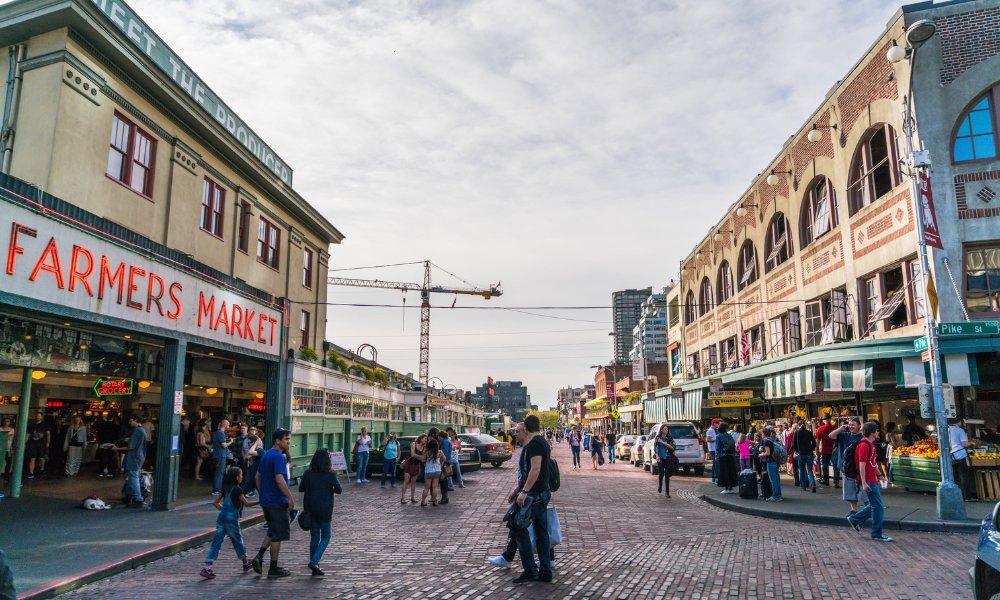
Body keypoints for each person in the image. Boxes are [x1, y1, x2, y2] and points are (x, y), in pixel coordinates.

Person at [511, 414, 553, 584]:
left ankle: (530, 568)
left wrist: (524, 492)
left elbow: (534, 469)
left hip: (535, 494)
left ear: (527, 429)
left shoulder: (535, 444)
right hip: (542, 492)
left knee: (517, 526)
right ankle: (545, 570)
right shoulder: (543, 442)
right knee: (541, 531)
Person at [251, 428, 295, 579]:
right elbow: (279, 479)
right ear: (277, 440)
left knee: (272, 530)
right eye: (286, 439)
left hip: (267, 501)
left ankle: (259, 556)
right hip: (277, 501)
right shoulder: (278, 457)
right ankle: (273, 568)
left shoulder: (266, 454)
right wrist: (289, 497)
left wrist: (263, 493)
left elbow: (257, 477)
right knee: (278, 535)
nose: (288, 442)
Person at [200, 467, 258, 579]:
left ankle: (207, 567)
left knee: (216, 542)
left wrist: (224, 510)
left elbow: (215, 502)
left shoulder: (225, 488)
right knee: (238, 541)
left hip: (221, 518)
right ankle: (246, 563)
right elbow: (246, 503)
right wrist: (261, 501)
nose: (242, 477)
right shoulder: (238, 489)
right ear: (237, 477)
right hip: (232, 519)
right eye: (241, 475)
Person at [299, 448, 343, 576]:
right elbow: (339, 490)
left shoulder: (308, 473)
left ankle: (315, 564)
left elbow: (301, 488)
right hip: (325, 509)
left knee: (314, 537)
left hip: (311, 508)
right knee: (326, 536)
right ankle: (314, 561)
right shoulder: (330, 474)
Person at [846, 422, 892, 542]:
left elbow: (872, 462)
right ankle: (876, 533)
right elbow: (862, 465)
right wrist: (864, 482)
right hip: (868, 480)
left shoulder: (870, 445)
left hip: (871, 479)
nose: (878, 432)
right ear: (871, 432)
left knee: (875, 505)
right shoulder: (864, 445)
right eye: (876, 431)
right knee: (879, 507)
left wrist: (880, 475)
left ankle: (855, 519)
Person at [831, 417, 865, 516]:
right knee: (850, 490)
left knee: (863, 490)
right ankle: (853, 510)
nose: (851, 426)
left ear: (859, 425)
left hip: (859, 468)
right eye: (849, 424)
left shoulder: (862, 437)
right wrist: (841, 428)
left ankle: (868, 509)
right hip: (846, 468)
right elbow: (831, 435)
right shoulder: (844, 435)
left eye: (853, 424)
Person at [116, 414, 147, 507]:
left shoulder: (137, 431)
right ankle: (128, 496)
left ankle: (138, 499)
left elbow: (131, 447)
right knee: (131, 477)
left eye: (130, 420)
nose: (129, 422)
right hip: (139, 457)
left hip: (134, 457)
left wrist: (117, 449)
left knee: (133, 477)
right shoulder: (142, 430)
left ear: (136, 420)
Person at [948, 417, 974, 500]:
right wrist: (972, 443)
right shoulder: (960, 430)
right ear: (958, 422)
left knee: (954, 477)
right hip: (960, 455)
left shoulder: (946, 430)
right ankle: (967, 497)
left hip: (951, 456)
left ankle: (954, 496)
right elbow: (964, 444)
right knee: (964, 476)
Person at [212, 420, 234, 496]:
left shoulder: (218, 433)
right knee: (219, 472)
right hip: (221, 455)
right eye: (228, 425)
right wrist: (231, 441)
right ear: (225, 425)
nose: (229, 427)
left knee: (219, 472)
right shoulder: (220, 433)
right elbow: (224, 445)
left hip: (219, 454)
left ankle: (217, 488)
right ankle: (216, 490)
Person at [421, 435, 445, 506]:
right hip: (437, 471)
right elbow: (444, 459)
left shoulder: (426, 452)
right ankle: (434, 501)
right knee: (435, 487)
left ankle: (423, 501)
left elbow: (422, 460)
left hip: (428, 471)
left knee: (426, 487)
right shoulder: (439, 452)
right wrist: (441, 462)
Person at [401, 434, 426, 504]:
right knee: (406, 481)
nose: (425, 440)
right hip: (409, 464)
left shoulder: (424, 448)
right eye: (424, 438)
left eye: (426, 439)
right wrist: (419, 456)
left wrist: (417, 456)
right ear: (421, 438)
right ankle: (402, 497)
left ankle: (412, 497)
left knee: (413, 482)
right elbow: (412, 454)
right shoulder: (413, 444)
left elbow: (423, 459)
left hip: (416, 465)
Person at [25, 411, 50, 479]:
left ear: (41, 417)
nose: (38, 417)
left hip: (42, 443)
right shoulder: (32, 425)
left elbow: (48, 433)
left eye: (39, 416)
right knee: (32, 458)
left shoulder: (45, 424)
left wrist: (48, 442)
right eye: (37, 416)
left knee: (42, 458)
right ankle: (31, 472)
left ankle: (42, 469)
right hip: (33, 443)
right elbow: (28, 434)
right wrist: (25, 442)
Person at [794, 419, 817, 493]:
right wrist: (812, 448)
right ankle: (812, 484)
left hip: (801, 454)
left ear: (798, 425)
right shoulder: (809, 433)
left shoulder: (797, 433)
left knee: (802, 469)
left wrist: (797, 450)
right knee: (810, 470)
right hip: (809, 453)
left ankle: (803, 486)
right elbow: (814, 443)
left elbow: (794, 444)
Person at [715, 422, 738, 494]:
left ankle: (726, 488)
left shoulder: (718, 436)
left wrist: (716, 456)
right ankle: (731, 488)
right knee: (731, 471)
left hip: (722, 455)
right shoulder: (729, 435)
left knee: (724, 472)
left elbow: (718, 447)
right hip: (731, 455)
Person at [761, 428, 782, 502]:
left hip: (770, 462)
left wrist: (761, 455)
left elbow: (768, 453)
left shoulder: (766, 442)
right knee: (776, 480)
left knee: (773, 480)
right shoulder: (771, 441)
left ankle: (775, 496)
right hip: (775, 462)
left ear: (764, 434)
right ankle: (778, 495)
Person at [815, 416, 838, 487]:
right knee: (835, 466)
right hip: (834, 449)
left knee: (825, 465)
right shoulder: (835, 428)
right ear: (830, 420)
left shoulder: (820, 429)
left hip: (825, 450)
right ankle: (836, 481)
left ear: (824, 420)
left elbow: (818, 440)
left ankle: (826, 480)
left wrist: (817, 449)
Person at [654, 424, 675, 497]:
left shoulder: (669, 438)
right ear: (661, 430)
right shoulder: (658, 437)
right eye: (665, 429)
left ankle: (667, 492)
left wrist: (663, 442)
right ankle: (660, 485)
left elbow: (672, 447)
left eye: (667, 429)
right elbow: (655, 447)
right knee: (661, 474)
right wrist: (656, 455)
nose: (666, 430)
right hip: (660, 458)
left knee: (667, 475)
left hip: (668, 458)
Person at [243, 426, 263, 497]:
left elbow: (250, 452)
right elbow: (248, 456)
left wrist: (255, 443)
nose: (248, 445)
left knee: (243, 491)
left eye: (249, 443)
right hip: (254, 475)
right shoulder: (256, 450)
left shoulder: (260, 451)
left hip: (257, 475)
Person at [706, 419, 719, 484]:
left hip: (714, 449)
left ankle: (714, 479)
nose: (718, 425)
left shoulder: (713, 430)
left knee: (715, 463)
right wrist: (716, 440)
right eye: (717, 423)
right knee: (716, 463)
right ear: (714, 423)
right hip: (713, 449)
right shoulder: (710, 430)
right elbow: (707, 439)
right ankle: (715, 478)